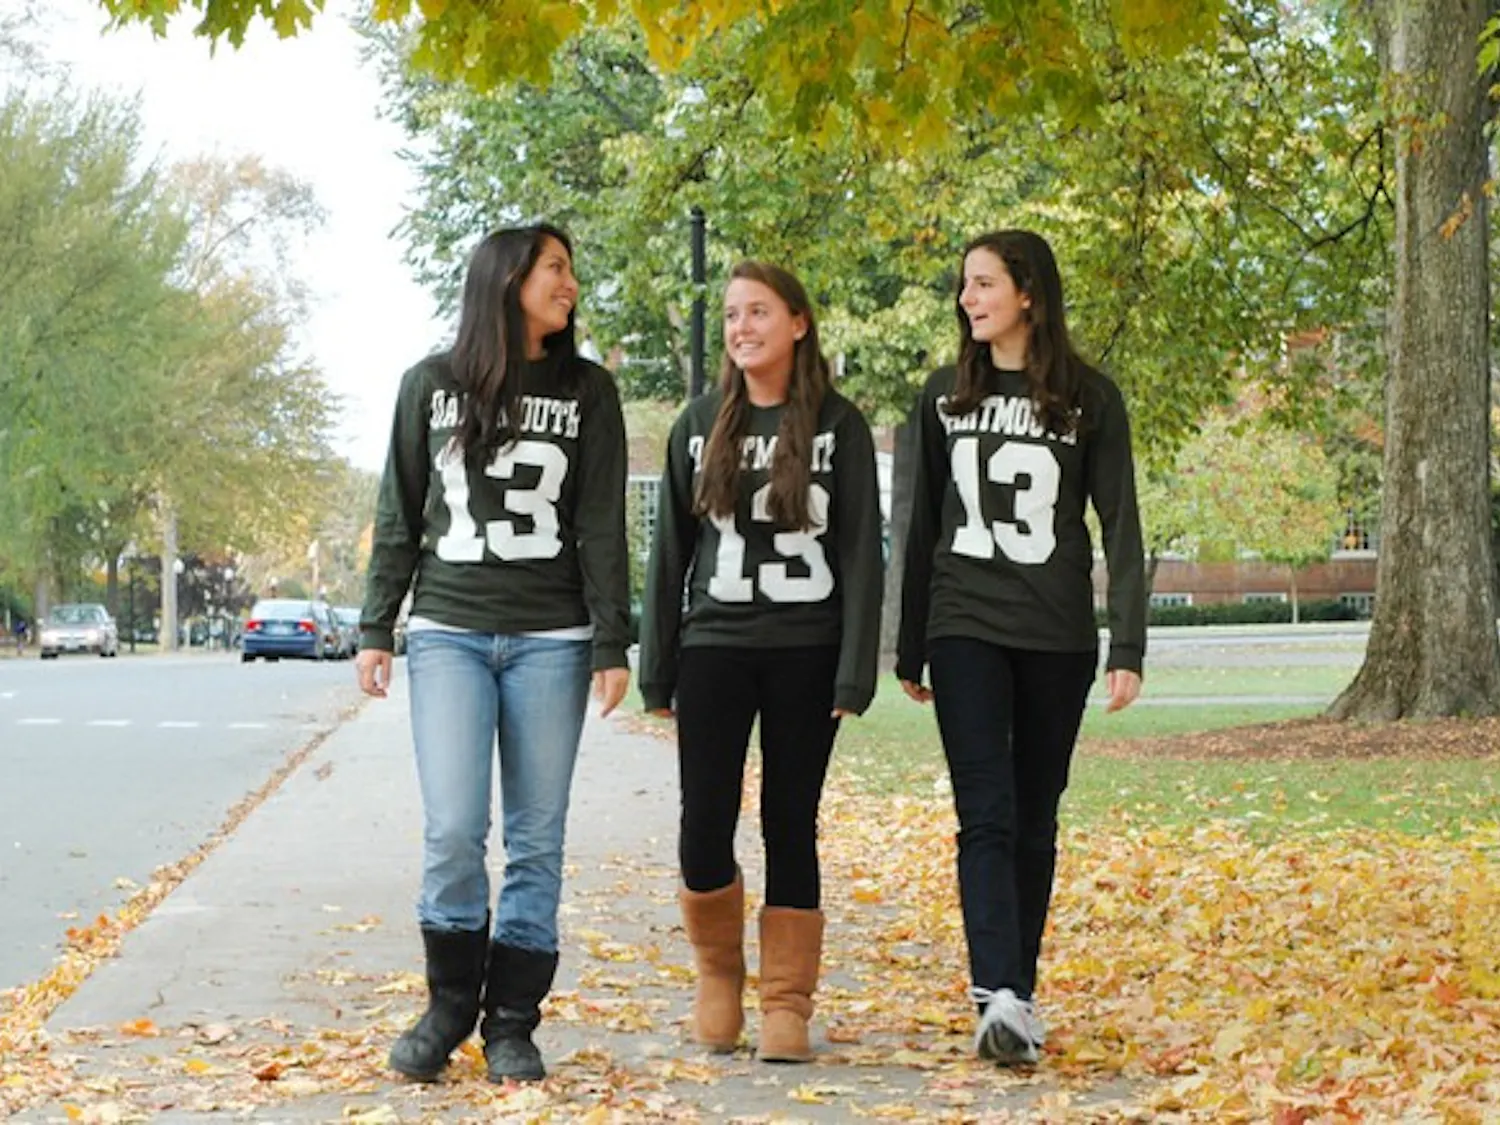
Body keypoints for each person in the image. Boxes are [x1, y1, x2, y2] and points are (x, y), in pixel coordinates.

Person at [356, 223, 632, 1085]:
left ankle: (511, 1021)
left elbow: (599, 523)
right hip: (448, 632)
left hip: (552, 638)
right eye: (555, 268)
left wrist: (611, 638)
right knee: (452, 830)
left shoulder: (589, 391)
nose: (571, 283)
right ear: (506, 277)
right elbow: (400, 511)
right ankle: (447, 1006)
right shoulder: (428, 385)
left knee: (536, 840)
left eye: (571, 270)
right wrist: (375, 625)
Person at [896, 230, 1146, 1066]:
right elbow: (921, 522)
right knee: (987, 814)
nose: (969, 299)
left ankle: (1017, 1000)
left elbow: (1121, 524)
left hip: (1057, 633)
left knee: (1035, 817)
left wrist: (1129, 643)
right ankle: (995, 989)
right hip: (964, 624)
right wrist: (908, 644)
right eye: (964, 286)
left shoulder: (1091, 398)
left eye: (984, 284)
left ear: (1029, 293)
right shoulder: (941, 396)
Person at [639, 261, 884, 1063]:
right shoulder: (699, 419)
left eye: (760, 312)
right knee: (703, 820)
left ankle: (786, 1001)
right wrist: (657, 663)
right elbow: (670, 552)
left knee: (791, 821)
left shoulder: (839, 427)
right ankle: (719, 978)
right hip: (714, 646)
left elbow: (860, 556)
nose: (743, 326)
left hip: (806, 652)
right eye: (734, 315)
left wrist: (854, 671)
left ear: (799, 323)